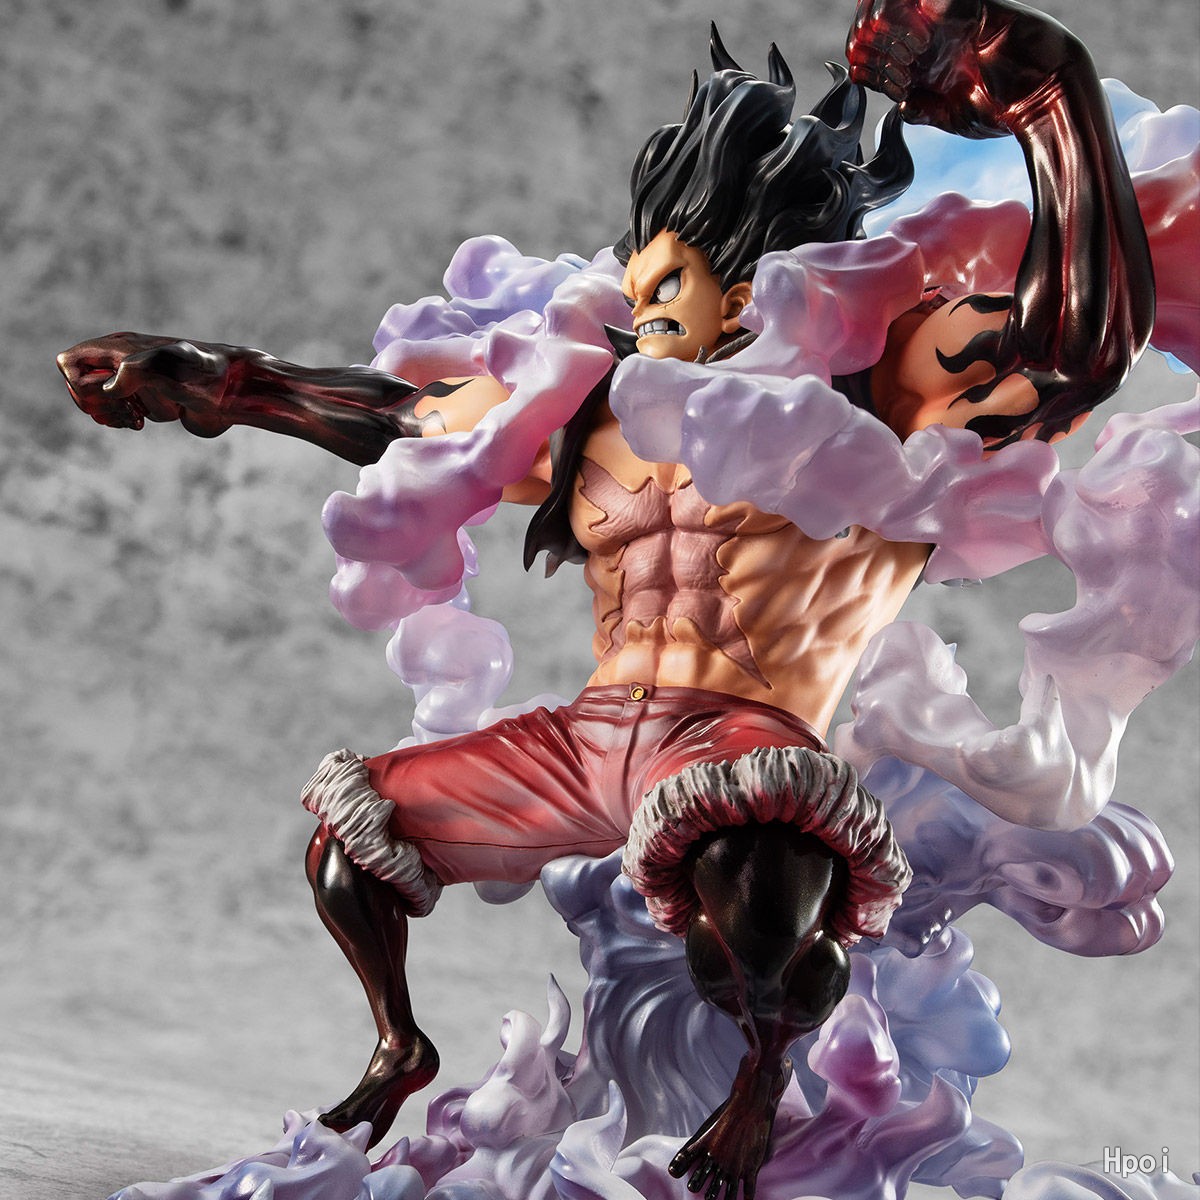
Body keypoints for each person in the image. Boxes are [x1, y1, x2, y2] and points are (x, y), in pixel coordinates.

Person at [57, 1, 1154, 1195]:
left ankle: (760, 1087)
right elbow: (403, 418)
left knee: (752, 889)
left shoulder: (869, 396)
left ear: (754, 279)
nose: (645, 287)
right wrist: (213, 380)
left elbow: (1075, 347)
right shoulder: (592, 409)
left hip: (741, 742)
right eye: (645, 263)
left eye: (685, 262)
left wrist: (1054, 95)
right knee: (355, 836)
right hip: (581, 742)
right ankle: (400, 1046)